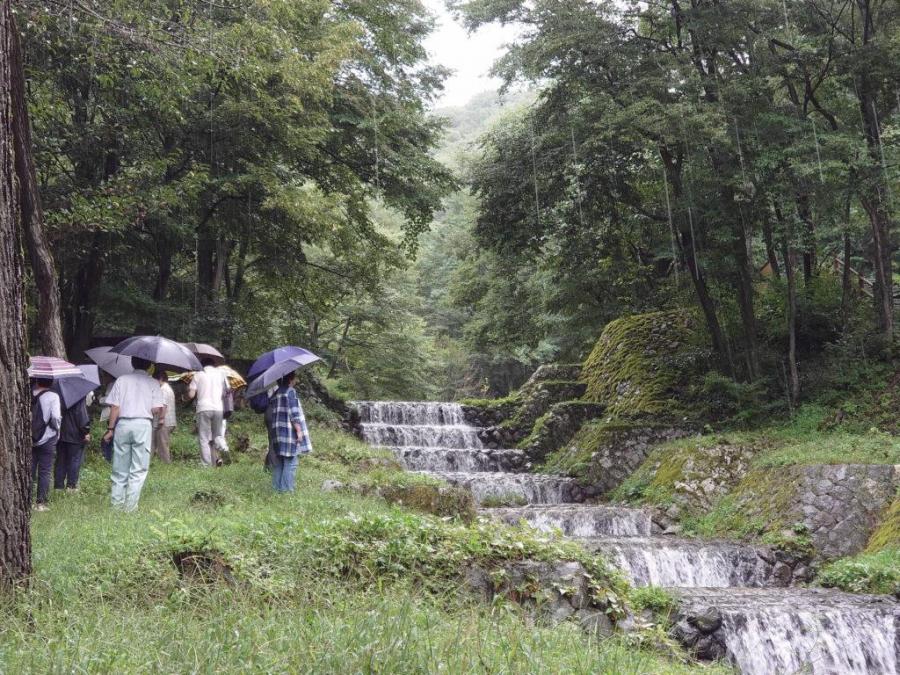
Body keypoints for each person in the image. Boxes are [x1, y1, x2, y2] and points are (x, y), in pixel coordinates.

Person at [102, 357, 164, 511]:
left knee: (119, 467)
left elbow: (114, 407)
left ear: (132, 363)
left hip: (122, 424)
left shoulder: (122, 380)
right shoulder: (153, 383)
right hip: (143, 424)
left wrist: (110, 429)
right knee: (138, 468)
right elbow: (157, 409)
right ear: (149, 366)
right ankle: (130, 508)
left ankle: (116, 506)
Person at [266, 371, 312, 493]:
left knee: (280, 462)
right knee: (291, 463)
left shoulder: (276, 393)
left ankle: (277, 489)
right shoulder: (290, 392)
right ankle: (287, 491)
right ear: (290, 379)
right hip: (288, 432)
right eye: (295, 378)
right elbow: (294, 413)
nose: (296, 380)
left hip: (277, 432)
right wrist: (299, 431)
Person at [186, 358, 229, 467]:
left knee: (204, 438)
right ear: (213, 364)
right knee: (217, 436)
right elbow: (226, 391)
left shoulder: (199, 374)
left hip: (204, 408)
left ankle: (206, 465)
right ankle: (222, 452)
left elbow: (191, 395)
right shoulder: (220, 374)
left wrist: (188, 392)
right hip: (219, 408)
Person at [31, 378, 62, 511]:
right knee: (44, 470)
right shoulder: (53, 396)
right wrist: (57, 430)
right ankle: (41, 503)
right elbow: (55, 417)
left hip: (29, 437)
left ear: (37, 381)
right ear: (51, 382)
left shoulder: (29, 393)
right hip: (47, 437)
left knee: (29, 470)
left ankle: (26, 501)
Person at [54, 396, 90, 492]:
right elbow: (82, 418)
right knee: (74, 460)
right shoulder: (78, 397)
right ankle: (71, 486)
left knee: (60, 460)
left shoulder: (59, 396)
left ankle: (58, 487)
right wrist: (86, 432)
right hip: (75, 435)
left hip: (61, 433)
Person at [152, 369, 176, 463]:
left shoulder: (163, 389)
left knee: (163, 445)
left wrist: (161, 419)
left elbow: (164, 405)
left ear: (161, 378)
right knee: (161, 443)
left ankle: (166, 464)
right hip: (168, 421)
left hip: (164, 421)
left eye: (154, 380)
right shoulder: (167, 388)